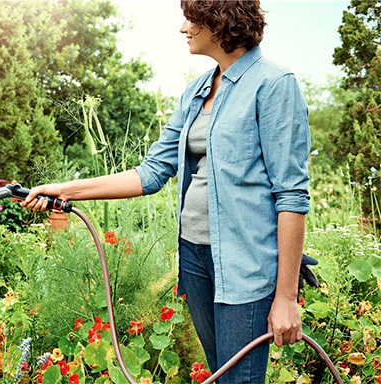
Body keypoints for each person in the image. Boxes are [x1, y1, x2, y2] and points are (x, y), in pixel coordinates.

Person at [19, 1, 310, 382]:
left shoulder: (273, 84)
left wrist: (286, 297)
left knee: (241, 379)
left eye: (192, 18)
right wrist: (66, 190)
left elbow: (291, 195)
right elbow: (152, 172)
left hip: (246, 265)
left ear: (219, 21)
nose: (183, 28)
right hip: (195, 257)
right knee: (220, 374)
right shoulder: (197, 90)